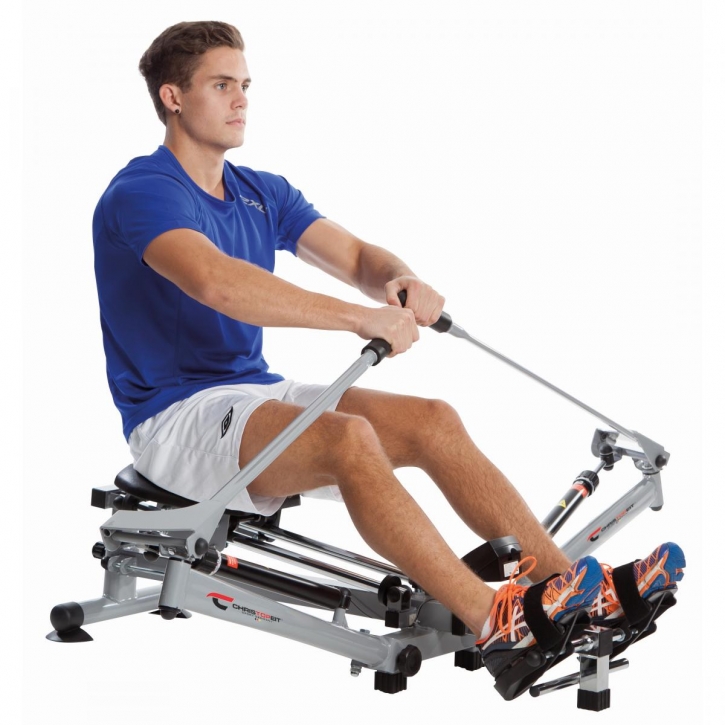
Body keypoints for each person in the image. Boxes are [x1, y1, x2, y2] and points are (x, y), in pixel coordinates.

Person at [92, 20, 685, 659]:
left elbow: (355, 257)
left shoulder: (259, 191)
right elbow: (216, 282)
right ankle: (494, 620)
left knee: (434, 421)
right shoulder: (143, 192)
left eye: (245, 85)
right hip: (174, 415)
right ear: (173, 97)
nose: (241, 100)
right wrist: (358, 318)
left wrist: (398, 279)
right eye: (221, 85)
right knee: (348, 439)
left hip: (253, 391)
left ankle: (569, 593)